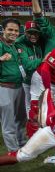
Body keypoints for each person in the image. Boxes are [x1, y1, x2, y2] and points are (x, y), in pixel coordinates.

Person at [0, 18, 27, 152]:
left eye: (16, 30)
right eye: (10, 29)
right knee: (8, 122)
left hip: (18, 86)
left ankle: (22, 144)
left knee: (20, 118)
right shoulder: (0, 44)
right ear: (3, 30)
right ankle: (13, 150)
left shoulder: (14, 45)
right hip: (4, 87)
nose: (13, 33)